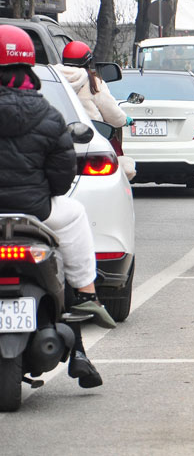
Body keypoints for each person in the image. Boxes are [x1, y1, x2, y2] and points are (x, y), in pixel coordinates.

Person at [0, 25, 116, 390]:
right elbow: (63, 175)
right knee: (75, 214)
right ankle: (85, 293)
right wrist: (44, 194)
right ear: (28, 63)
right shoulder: (48, 113)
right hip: (36, 210)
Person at [56, 41, 136, 180]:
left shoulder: (52, 77)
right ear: (88, 61)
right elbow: (112, 114)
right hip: (89, 138)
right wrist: (125, 120)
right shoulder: (93, 82)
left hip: (56, 137)